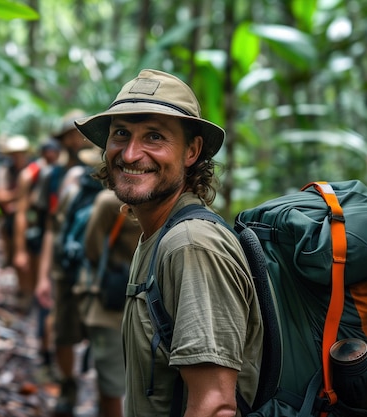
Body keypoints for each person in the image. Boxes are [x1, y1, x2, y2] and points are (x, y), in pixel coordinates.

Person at [74, 69, 264, 417]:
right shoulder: (158, 235)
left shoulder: (191, 245)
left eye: (154, 137)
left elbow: (214, 406)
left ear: (192, 151)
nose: (130, 154)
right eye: (121, 134)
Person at [34, 109, 95, 417]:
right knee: (63, 329)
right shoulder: (54, 175)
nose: (78, 138)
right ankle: (69, 387)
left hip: (101, 267)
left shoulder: (107, 167)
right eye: (73, 133)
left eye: (83, 132)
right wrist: (43, 275)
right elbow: (50, 227)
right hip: (65, 264)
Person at [74, 149, 140, 417]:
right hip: (118, 300)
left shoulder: (107, 201)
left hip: (117, 298)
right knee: (114, 378)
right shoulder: (110, 203)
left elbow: (92, 249)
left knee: (112, 378)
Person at [13, 138, 62, 312]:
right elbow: (21, 213)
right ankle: (30, 302)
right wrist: (20, 250)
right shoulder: (29, 175)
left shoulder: (63, 170)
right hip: (38, 228)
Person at [0, 134, 30, 269]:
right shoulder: (4, 171)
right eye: (14, 154)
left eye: (20, 154)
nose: (18, 157)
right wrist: (20, 194)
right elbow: (0, 196)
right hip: (9, 218)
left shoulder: (32, 170)